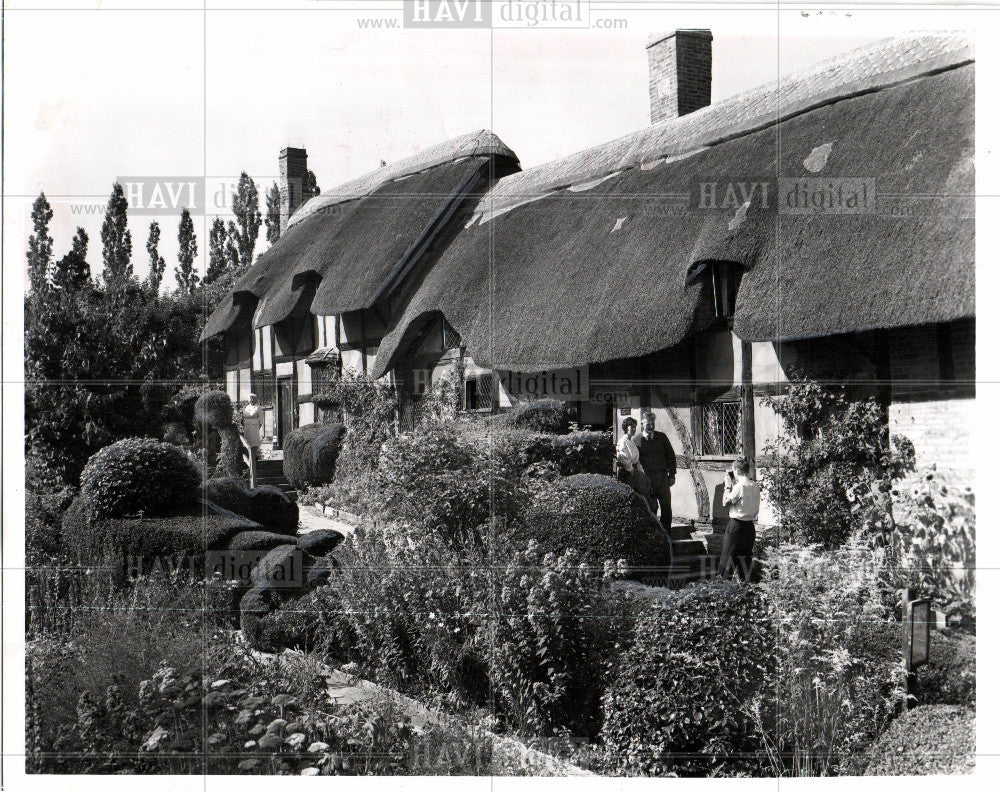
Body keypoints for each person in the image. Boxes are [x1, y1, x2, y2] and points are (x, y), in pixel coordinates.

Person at [718, 457, 761, 581]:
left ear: (736, 470)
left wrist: (727, 486)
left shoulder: (739, 486)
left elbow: (725, 502)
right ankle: (745, 590)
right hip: (749, 527)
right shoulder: (755, 485)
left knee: (727, 562)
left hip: (736, 527)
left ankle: (722, 590)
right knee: (744, 563)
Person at [633, 411, 676, 529]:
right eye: (648, 424)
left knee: (666, 508)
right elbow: (635, 461)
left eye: (652, 423)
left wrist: (672, 475)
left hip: (662, 479)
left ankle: (667, 535)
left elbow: (671, 456)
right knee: (650, 508)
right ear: (642, 424)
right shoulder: (636, 440)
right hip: (647, 480)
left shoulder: (661, 437)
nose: (651, 426)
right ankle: (654, 535)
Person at [616, 416, 651, 498]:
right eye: (632, 427)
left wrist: (639, 472)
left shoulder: (632, 442)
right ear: (626, 428)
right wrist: (632, 471)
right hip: (627, 473)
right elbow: (623, 458)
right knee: (629, 496)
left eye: (635, 427)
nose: (634, 429)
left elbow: (636, 459)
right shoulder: (622, 442)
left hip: (634, 472)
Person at [241, 393, 262, 460]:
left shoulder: (258, 407)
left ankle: (255, 455)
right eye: (250, 399)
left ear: (255, 399)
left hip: (254, 426)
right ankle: (248, 455)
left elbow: (261, 418)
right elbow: (243, 417)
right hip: (247, 425)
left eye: (253, 399)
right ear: (249, 400)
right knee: (247, 439)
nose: (252, 400)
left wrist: (259, 426)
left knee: (254, 440)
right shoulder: (246, 407)